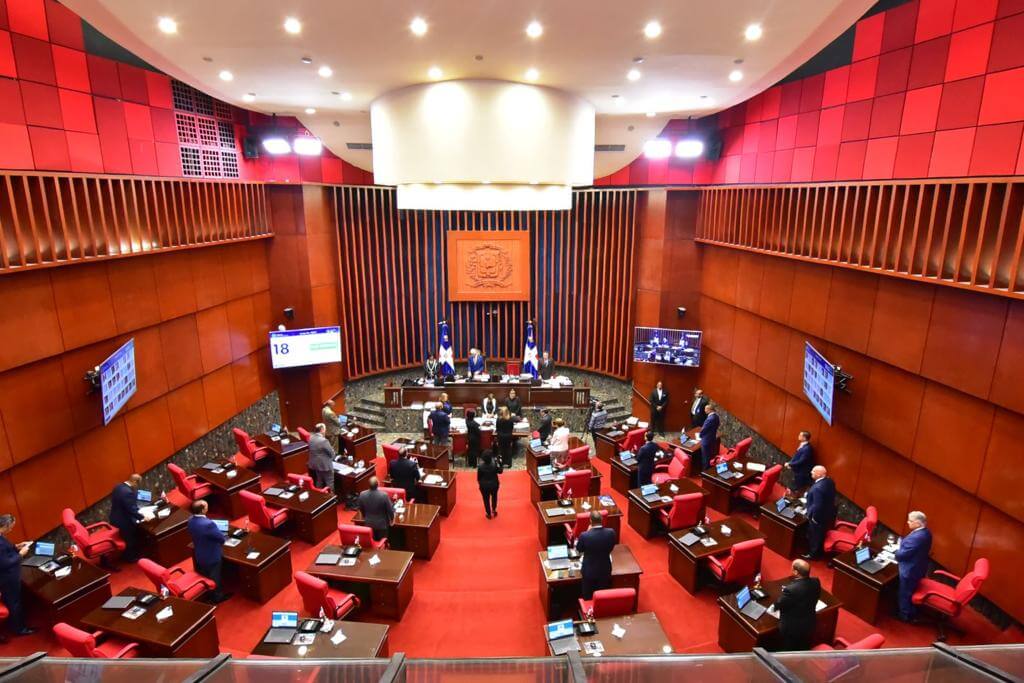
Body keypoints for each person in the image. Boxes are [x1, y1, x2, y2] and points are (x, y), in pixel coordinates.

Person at [772, 559, 821, 651]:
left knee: (788, 649)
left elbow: (779, 604)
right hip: (810, 623)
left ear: (796, 572)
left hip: (793, 629)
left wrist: (786, 593)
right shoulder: (816, 581)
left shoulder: (791, 590)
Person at [894, 510, 933, 623]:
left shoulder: (917, 537)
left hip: (910, 569)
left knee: (905, 592)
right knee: (909, 590)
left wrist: (896, 552)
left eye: (910, 521)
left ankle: (904, 615)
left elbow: (902, 555)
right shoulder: (926, 532)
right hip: (918, 565)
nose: (908, 522)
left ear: (918, 523)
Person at [187, 500, 229, 603]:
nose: (207, 507)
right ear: (202, 510)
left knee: (206, 575)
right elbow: (221, 539)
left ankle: (209, 594)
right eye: (206, 506)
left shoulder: (190, 520)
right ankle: (217, 598)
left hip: (199, 554)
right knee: (215, 577)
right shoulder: (209, 524)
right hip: (211, 556)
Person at [0, 514, 34, 637]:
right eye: (11, 527)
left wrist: (17, 546)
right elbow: (4, 563)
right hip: (7, 578)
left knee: (13, 601)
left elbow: (5, 552)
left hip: (9, 576)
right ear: (5, 526)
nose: (11, 529)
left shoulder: (1, 537)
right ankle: (19, 629)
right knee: (14, 602)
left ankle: (15, 624)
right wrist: (20, 554)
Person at [575, 511, 617, 599]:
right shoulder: (611, 532)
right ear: (601, 520)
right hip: (605, 570)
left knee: (588, 596)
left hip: (589, 572)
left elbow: (579, 549)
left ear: (590, 521)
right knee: (602, 596)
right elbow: (612, 546)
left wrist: (587, 532)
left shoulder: (584, 535)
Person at [803, 466, 836, 561]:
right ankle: (817, 551)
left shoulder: (817, 488)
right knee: (820, 534)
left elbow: (817, 505)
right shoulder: (829, 481)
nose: (811, 472)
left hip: (818, 517)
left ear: (819, 474)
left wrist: (814, 517)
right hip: (828, 513)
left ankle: (813, 555)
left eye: (813, 471)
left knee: (815, 535)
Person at [109, 474, 144, 562]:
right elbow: (131, 510)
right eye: (138, 484)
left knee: (126, 536)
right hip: (123, 521)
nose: (137, 487)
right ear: (134, 482)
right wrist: (142, 517)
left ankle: (128, 553)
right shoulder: (127, 492)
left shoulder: (118, 487)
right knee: (130, 536)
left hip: (114, 518)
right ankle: (131, 558)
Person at [356, 478, 395, 542]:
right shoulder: (384, 495)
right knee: (383, 542)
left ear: (368, 485)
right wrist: (392, 519)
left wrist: (365, 516)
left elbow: (361, 508)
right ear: (378, 484)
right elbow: (390, 510)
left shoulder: (362, 494)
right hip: (382, 525)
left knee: (372, 543)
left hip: (368, 523)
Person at [307, 423, 336, 490]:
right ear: (322, 430)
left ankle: (318, 494)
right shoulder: (324, 441)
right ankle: (331, 496)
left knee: (319, 480)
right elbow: (331, 453)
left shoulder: (311, 438)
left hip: (315, 465)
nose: (325, 431)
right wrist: (333, 454)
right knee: (330, 482)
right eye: (325, 429)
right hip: (325, 466)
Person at [477, 452, 503, 519]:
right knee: (494, 497)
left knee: (486, 499)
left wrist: (480, 484)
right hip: (494, 485)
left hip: (484, 486)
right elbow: (500, 471)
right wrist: (500, 463)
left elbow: (478, 478)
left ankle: (488, 513)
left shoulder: (480, 466)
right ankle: (494, 510)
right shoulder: (494, 465)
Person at [698, 403, 720, 472]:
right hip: (712, 438)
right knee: (709, 455)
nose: (704, 410)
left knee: (705, 457)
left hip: (706, 440)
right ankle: (709, 469)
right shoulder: (716, 416)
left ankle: (705, 471)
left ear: (710, 410)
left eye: (705, 409)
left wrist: (700, 435)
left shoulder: (710, 419)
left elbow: (704, 429)